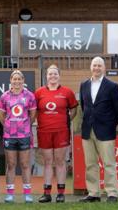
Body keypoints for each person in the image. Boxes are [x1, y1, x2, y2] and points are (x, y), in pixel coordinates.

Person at [79, 56, 118, 203]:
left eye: (99, 65)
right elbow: (84, 107)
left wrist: (111, 123)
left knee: (109, 163)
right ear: (90, 67)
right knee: (90, 164)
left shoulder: (112, 86)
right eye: (94, 65)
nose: (97, 68)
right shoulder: (84, 85)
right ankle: (93, 193)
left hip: (106, 131)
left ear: (104, 68)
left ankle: (112, 193)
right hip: (87, 130)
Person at [35, 65, 78, 203]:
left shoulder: (67, 92)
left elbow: (73, 110)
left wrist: (64, 121)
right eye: (50, 74)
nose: (52, 76)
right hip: (44, 131)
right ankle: (46, 193)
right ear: (46, 76)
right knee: (47, 162)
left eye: (55, 74)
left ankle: (61, 193)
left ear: (59, 75)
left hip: (61, 132)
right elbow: (34, 111)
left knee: (60, 161)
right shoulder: (39, 92)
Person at [0, 70, 37, 203]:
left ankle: (27, 194)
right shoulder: (4, 97)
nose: (17, 81)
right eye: (14, 79)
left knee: (25, 164)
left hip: (24, 135)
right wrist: (10, 126)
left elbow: (32, 115)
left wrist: (24, 125)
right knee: (11, 164)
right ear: (11, 80)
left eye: (19, 79)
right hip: (9, 135)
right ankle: (10, 194)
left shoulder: (30, 96)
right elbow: (1, 116)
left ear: (23, 80)